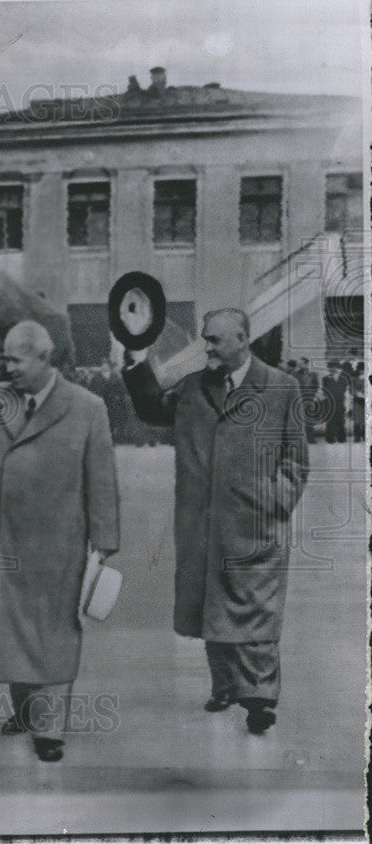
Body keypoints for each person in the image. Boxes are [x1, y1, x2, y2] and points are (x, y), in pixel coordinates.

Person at [0, 321, 120, 763]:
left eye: (16, 360)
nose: (8, 368)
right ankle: (26, 712)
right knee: (13, 630)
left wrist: (105, 538)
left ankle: (50, 728)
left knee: (54, 634)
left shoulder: (86, 406)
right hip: (0, 541)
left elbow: (101, 475)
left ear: (43, 357)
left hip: (58, 541)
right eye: (5, 360)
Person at [121, 308, 308, 734]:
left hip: (255, 524)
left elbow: (296, 462)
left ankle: (259, 697)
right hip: (203, 522)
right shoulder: (193, 387)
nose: (206, 347)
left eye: (214, 340)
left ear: (242, 339)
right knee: (212, 605)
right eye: (205, 339)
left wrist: (272, 503)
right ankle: (224, 685)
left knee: (256, 609)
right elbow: (151, 409)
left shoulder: (282, 388)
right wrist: (135, 357)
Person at [321, 361, 349, 443]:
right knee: (330, 421)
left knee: (340, 419)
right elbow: (324, 391)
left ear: (338, 368)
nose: (332, 369)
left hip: (340, 402)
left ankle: (341, 438)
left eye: (334, 367)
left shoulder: (343, 379)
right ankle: (330, 438)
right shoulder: (325, 379)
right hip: (330, 402)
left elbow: (345, 390)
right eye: (330, 367)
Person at [295, 357, 320, 443]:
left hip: (309, 399)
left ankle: (310, 437)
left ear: (306, 364)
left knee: (309, 419)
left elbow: (316, 386)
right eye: (298, 364)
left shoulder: (313, 374)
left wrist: (312, 395)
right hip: (299, 399)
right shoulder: (295, 375)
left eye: (301, 363)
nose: (299, 365)